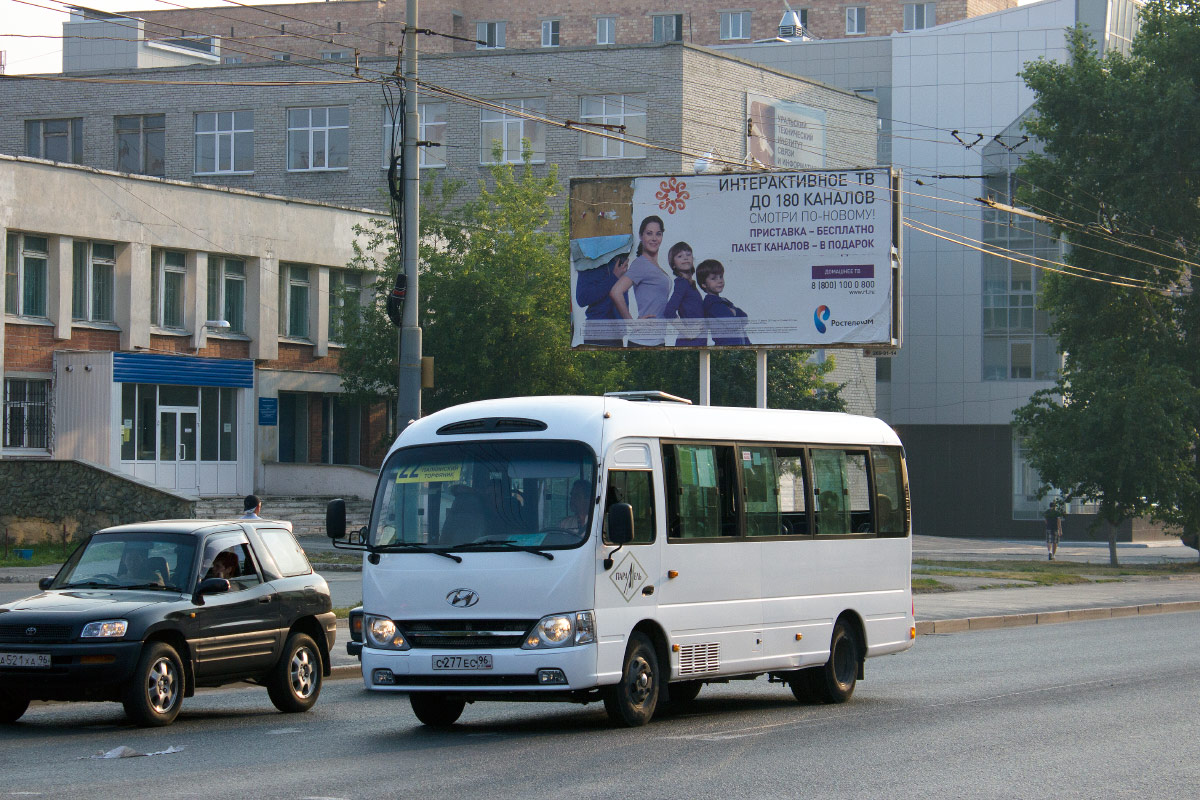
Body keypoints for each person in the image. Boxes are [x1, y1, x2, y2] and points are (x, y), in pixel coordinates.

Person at [610, 215, 671, 346]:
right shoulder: (641, 264)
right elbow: (616, 292)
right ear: (641, 236)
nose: (654, 238)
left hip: (658, 340)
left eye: (658, 234)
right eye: (649, 234)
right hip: (642, 342)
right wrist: (631, 323)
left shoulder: (656, 267)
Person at [575, 253, 629, 347]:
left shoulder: (620, 259)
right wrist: (613, 277)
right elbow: (582, 298)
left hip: (617, 335)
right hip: (597, 333)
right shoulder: (588, 261)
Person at [662, 241, 707, 347]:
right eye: (680, 256)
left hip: (698, 342)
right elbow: (669, 312)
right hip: (689, 344)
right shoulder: (682, 283)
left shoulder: (689, 285)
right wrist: (688, 332)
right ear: (673, 264)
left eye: (688, 254)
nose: (685, 258)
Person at [697, 259, 751, 346]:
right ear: (704, 284)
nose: (719, 281)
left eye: (721, 276)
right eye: (713, 278)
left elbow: (745, 318)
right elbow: (732, 324)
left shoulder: (723, 301)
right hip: (728, 348)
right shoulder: (712, 304)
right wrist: (735, 313)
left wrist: (734, 313)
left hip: (739, 346)